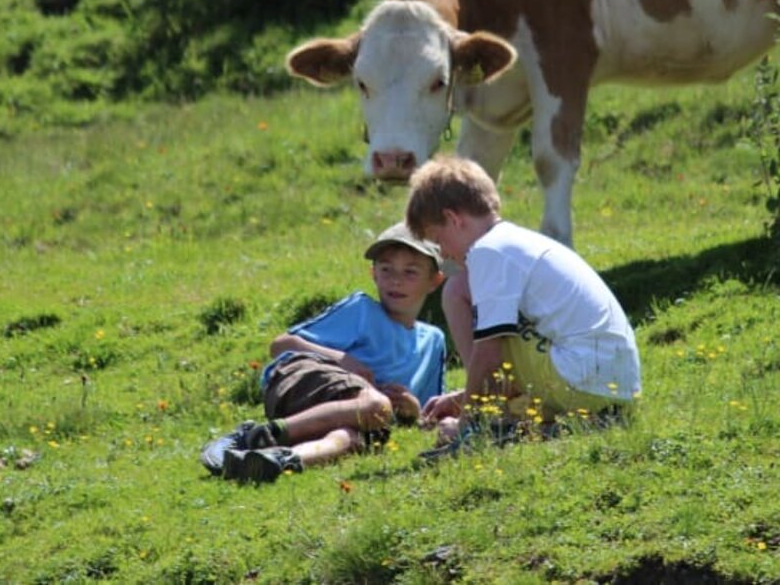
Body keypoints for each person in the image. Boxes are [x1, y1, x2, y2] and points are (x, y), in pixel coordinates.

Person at [405, 155, 641, 439]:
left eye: (438, 239)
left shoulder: (488, 252)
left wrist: (466, 421)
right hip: (612, 384)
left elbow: (489, 351)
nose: (443, 252)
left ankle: (487, 418)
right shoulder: (511, 242)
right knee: (458, 289)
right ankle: (506, 408)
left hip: (584, 380)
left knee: (481, 319)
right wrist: (464, 395)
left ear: (453, 219)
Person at [200, 222, 447, 482]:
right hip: (302, 381)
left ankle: (276, 460)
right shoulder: (361, 310)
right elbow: (281, 345)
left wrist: (413, 409)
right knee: (375, 405)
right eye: (386, 269)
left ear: (434, 281)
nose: (396, 280)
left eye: (411, 272)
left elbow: (429, 416)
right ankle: (250, 437)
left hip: (358, 416)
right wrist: (341, 359)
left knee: (348, 438)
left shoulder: (434, 340)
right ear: (373, 273)